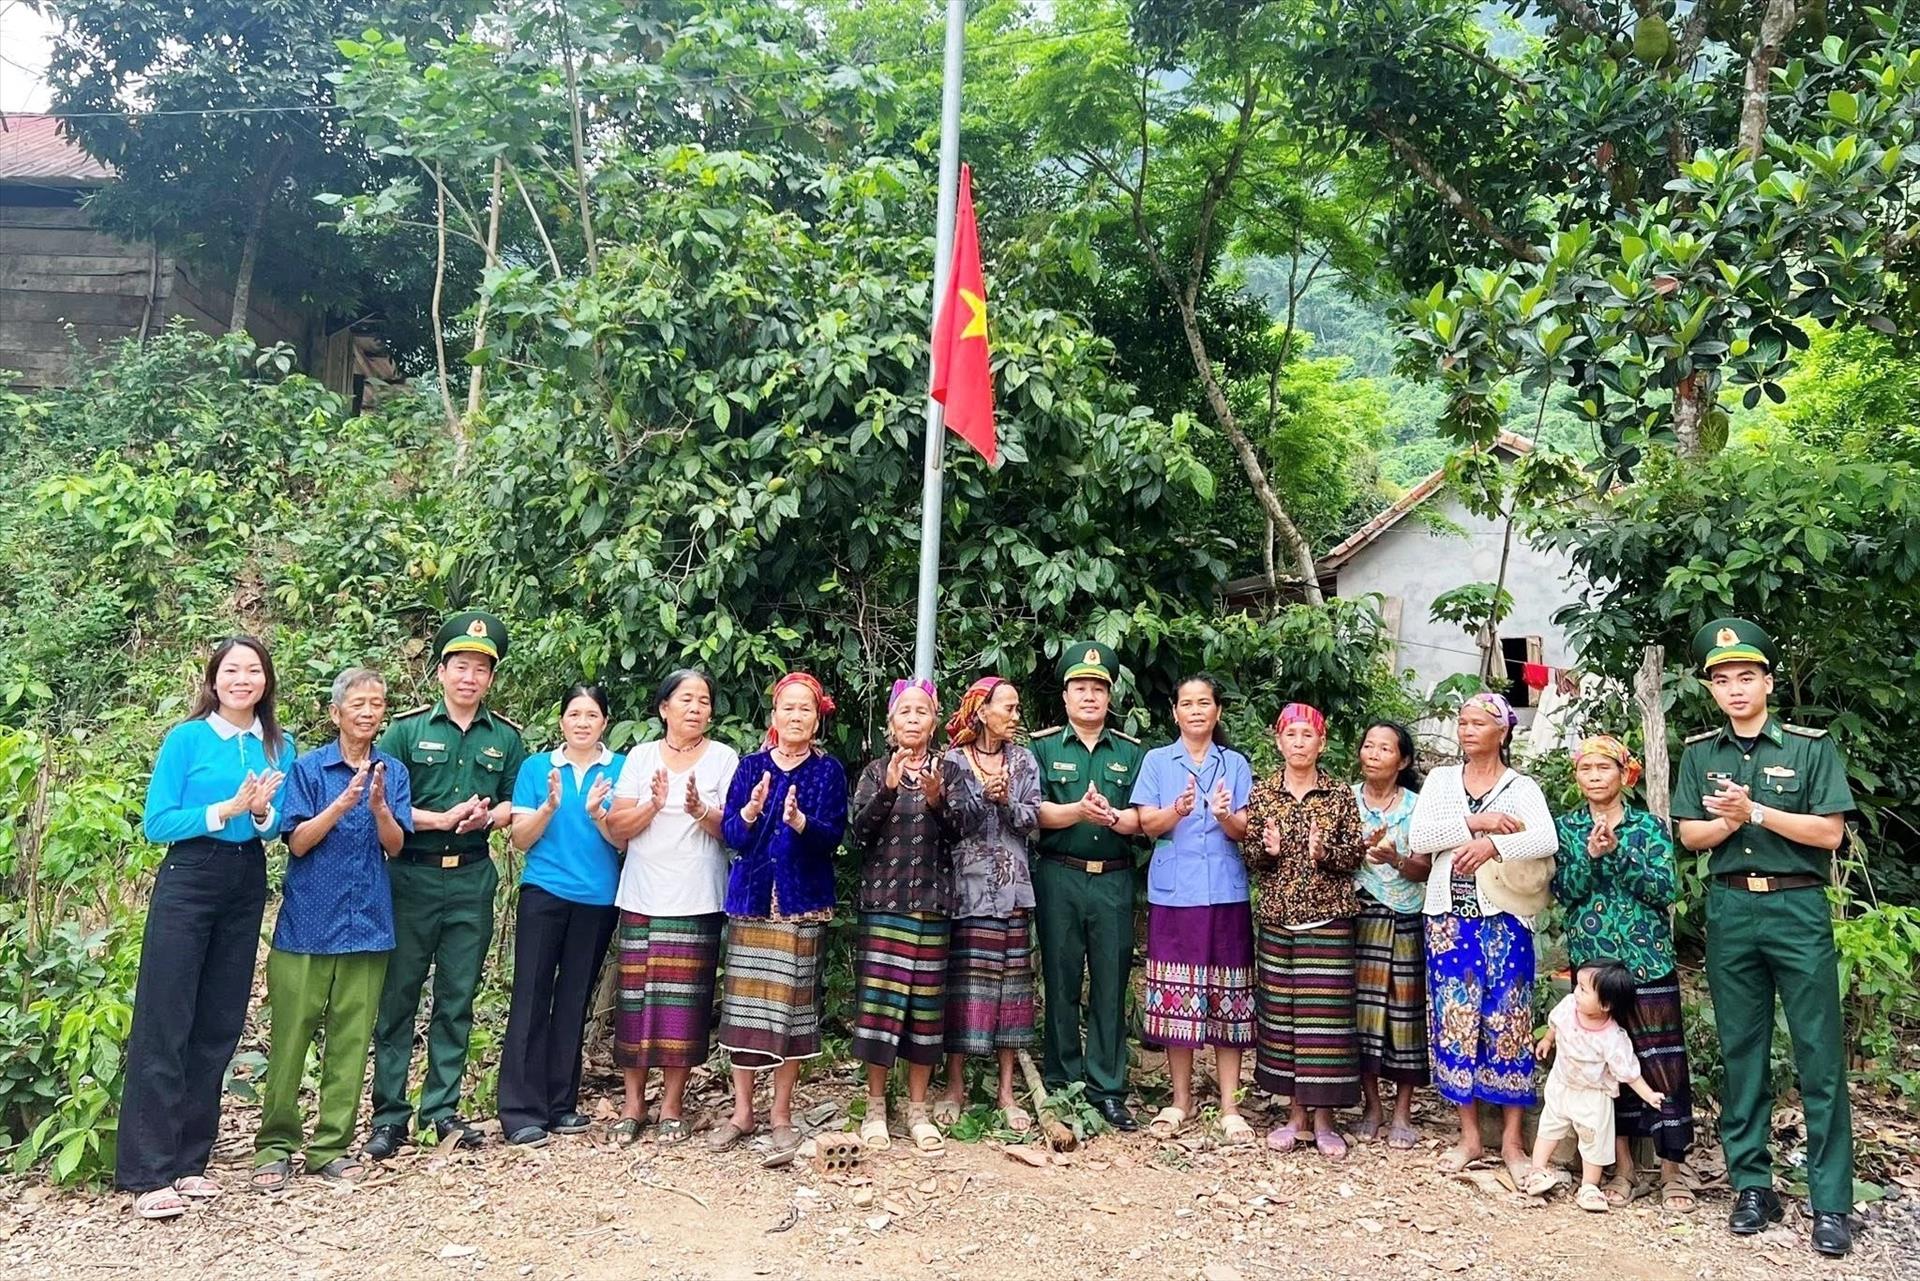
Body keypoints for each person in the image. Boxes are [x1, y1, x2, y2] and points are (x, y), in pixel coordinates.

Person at [1673, 618, 1855, 1257]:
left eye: (1746, 676)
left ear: (1768, 683)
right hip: (1731, 909)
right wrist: (1728, 823)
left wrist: (1754, 811)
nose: (1735, 688)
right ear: (1712, 690)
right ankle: (1753, 1186)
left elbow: (1829, 833)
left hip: (1796, 907)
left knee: (1818, 1053)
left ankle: (1831, 1200)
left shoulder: (1809, 748)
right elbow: (1690, 835)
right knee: (1741, 1051)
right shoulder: (1700, 754)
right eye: (1722, 680)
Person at [118, 636, 294, 1219]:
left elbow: (276, 825)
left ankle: (191, 1161)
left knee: (219, 1021)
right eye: (232, 670)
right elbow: (157, 823)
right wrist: (226, 809)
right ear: (214, 680)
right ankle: (148, 1172)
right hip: (190, 876)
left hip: (246, 878)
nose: (243, 680)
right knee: (166, 1018)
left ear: (266, 681)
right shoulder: (188, 739)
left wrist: (261, 812)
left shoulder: (278, 744)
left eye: (254, 670)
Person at [367, 611, 527, 1159]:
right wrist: (438, 819)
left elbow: (514, 801)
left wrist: (490, 817)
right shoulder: (406, 731)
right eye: (460, 666)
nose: (469, 678)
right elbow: (383, 803)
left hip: (472, 877)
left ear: (491, 678)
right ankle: (389, 1116)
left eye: (480, 669)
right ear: (440, 671)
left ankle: (441, 1111)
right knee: (399, 997)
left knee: (457, 998)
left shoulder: (506, 737)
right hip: (410, 875)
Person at [252, 667, 410, 1192]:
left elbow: (396, 846)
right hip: (306, 925)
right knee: (290, 1039)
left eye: (377, 704)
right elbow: (297, 842)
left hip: (368, 924)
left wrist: (379, 807)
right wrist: (341, 805)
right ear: (335, 712)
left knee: (351, 1040)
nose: (368, 713)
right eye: (358, 704)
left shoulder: (392, 770)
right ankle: (275, 1146)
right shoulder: (309, 768)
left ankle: (330, 1148)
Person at [1409, 691, 1556, 1182]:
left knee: (1508, 1021)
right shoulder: (1440, 779)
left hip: (1505, 918)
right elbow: (1419, 837)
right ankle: (1470, 1137)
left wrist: (1494, 843)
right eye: (1462, 722)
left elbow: (1546, 838)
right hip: (1449, 919)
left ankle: (1512, 1141)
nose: (1467, 730)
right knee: (1455, 1020)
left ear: (1503, 731)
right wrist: (1475, 823)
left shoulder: (1521, 785)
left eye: (1478, 723)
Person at [1553, 734, 1695, 1211]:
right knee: (1604, 1067)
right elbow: (1564, 891)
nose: (1594, 777)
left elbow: (1663, 890)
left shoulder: (1649, 826)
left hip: (1647, 959)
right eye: (1586, 769)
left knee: (1662, 1062)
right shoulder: (1567, 827)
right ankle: (1624, 1170)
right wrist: (1593, 858)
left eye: (1604, 768)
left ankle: (1672, 1170)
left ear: (1623, 774)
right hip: (1593, 967)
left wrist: (1618, 853)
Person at [711, 672, 849, 1159]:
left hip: (801, 902)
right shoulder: (750, 767)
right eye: (787, 707)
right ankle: (742, 1112)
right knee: (744, 1009)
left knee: (792, 1011)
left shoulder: (828, 771)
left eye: (805, 708)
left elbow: (833, 837)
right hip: (751, 901)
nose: (795, 716)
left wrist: (799, 821)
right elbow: (732, 834)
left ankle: (782, 1114)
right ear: (774, 715)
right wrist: (751, 810)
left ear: (817, 719)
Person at [603, 669, 739, 1146]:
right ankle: (633, 1104)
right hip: (642, 893)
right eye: (686, 699)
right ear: (664, 708)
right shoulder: (640, 757)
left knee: (684, 1005)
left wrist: (701, 810)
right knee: (635, 1002)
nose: (696, 708)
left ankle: (672, 1105)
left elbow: (734, 830)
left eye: (704, 700)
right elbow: (617, 827)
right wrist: (653, 806)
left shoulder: (723, 758)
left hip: (697, 896)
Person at [1130, 674, 1256, 1145]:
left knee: (1229, 996)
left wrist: (1224, 815)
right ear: (1175, 713)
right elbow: (1147, 823)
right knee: (1175, 995)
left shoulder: (1235, 764)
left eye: (1205, 703)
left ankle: (1229, 1106)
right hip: (1174, 893)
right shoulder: (1157, 761)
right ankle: (1180, 1100)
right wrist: (1178, 810)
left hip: (1225, 892)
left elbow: (1245, 829)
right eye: (1187, 703)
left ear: (1217, 712)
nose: (1197, 710)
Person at [498, 685, 625, 1146]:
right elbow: (520, 839)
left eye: (592, 715)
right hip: (545, 891)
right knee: (531, 995)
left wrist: (598, 815)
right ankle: (520, 1111)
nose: (582, 722)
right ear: (561, 721)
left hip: (597, 897)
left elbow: (624, 842)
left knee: (574, 999)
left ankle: (560, 1104)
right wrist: (549, 807)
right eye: (574, 714)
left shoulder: (621, 768)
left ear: (605, 722)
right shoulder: (537, 768)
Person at [1029, 642, 1146, 1132]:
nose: (1090, 696)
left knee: (1110, 984)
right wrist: (1078, 811)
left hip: (1113, 879)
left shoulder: (1132, 752)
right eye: (1080, 687)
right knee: (1060, 982)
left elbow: (1144, 817)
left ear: (1110, 695)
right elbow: (1033, 812)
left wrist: (1115, 817)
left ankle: (1107, 1088)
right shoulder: (1043, 748)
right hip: (1059, 875)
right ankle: (1061, 1084)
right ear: (1065, 696)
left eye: (1098, 688)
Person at [1243, 703, 1366, 1158]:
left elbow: (1355, 854)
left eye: (1307, 735)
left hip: (1328, 917)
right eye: (1291, 735)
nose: (1299, 742)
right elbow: (1250, 856)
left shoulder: (1338, 794)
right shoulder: (1263, 793)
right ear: (1279, 742)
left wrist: (1324, 852)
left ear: (1321, 743)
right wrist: (1268, 851)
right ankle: (1295, 1116)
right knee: (1284, 1018)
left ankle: (1326, 1120)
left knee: (1327, 1022)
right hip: (1278, 917)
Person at [847, 678, 952, 1154]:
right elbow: (859, 834)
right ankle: (874, 1106)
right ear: (891, 723)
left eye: (921, 711)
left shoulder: (950, 769)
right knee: (879, 1010)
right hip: (883, 903)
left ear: (934, 722)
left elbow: (965, 829)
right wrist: (889, 790)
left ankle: (917, 1109)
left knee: (924, 1012)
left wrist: (937, 797)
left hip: (932, 904)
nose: (913, 719)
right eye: (904, 711)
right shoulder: (874, 771)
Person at [936, 677, 1041, 1133]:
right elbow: (950, 823)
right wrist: (984, 797)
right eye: (1008, 708)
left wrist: (1007, 801)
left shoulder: (1024, 760)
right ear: (981, 711)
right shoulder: (953, 761)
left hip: (1013, 889)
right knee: (965, 990)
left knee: (1012, 993)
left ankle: (1006, 1092)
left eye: (1017, 709)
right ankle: (955, 1086)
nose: (1015, 717)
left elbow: (1033, 818)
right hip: (968, 891)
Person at [1519, 962, 1667, 1213]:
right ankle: (1537, 1170)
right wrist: (1547, 1040)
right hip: (1562, 1084)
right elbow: (1555, 1024)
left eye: (1583, 989)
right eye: (1577, 986)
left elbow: (1628, 1072)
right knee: (1548, 1128)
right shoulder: (1568, 1007)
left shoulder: (1613, 1038)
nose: (1575, 992)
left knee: (1593, 1141)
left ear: (1606, 1005)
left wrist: (1649, 1094)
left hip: (1593, 1095)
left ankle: (1589, 1186)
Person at [1350, 720, 1430, 1149]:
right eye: (1369, 745)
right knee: (1361, 1011)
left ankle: (1402, 1111)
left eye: (1385, 748)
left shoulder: (1418, 806)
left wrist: (1395, 858)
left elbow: (1424, 868)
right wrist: (1355, 851)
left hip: (1405, 916)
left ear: (1403, 761)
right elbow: (1333, 860)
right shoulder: (1345, 800)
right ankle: (1372, 1106)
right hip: (1360, 914)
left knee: (1404, 1013)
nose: (1374, 754)